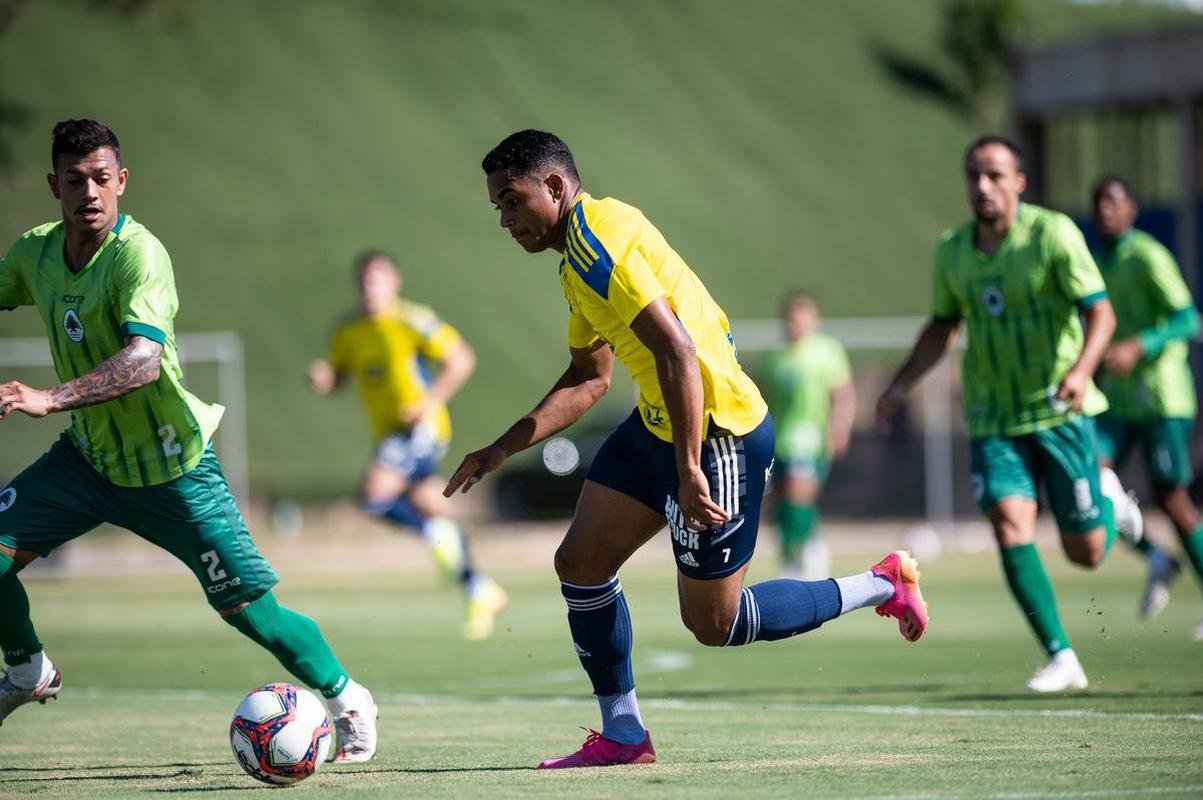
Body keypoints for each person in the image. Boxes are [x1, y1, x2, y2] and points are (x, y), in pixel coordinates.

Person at [444, 129, 930, 769]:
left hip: (718, 432)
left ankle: (881, 583)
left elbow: (678, 351)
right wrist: (500, 449)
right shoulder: (575, 260)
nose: (505, 220)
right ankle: (624, 735)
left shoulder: (597, 244)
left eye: (512, 201)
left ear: (555, 186)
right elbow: (590, 378)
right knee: (581, 564)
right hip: (659, 426)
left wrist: (690, 467)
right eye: (498, 207)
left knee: (714, 625)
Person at [0, 120, 377, 761]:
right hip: (87, 462)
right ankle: (26, 668)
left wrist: (50, 397)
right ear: (54, 185)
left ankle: (348, 698)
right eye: (74, 180)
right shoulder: (34, 253)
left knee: (250, 611)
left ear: (121, 181)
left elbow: (143, 360)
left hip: (173, 468)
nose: (89, 192)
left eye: (100, 178)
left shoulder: (138, 255)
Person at [877, 135, 1143, 693]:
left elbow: (1101, 314)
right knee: (1008, 523)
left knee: (1087, 552)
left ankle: (1109, 500)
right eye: (974, 175)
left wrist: (1081, 372)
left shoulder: (1053, 235)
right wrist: (900, 385)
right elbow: (943, 327)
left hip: (1059, 411)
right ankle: (1061, 655)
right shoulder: (953, 250)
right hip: (994, 419)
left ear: (1019, 181)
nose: (983, 185)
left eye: (995, 174)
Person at [308, 251, 508, 640]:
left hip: (420, 429)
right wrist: (324, 378)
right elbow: (339, 376)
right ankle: (479, 589)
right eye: (364, 282)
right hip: (388, 433)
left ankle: (437, 537)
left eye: (378, 281)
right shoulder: (348, 330)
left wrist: (428, 402)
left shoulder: (412, 320)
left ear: (394, 283)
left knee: (374, 496)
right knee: (434, 508)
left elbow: (461, 359)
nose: (370, 289)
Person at [1091, 176, 1203, 632]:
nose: (1105, 210)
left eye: (1114, 202)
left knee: (1173, 499)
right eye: (1099, 203)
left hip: (1161, 398)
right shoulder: (1096, 262)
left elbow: (1188, 318)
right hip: (1118, 401)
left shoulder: (1148, 255)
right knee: (1088, 477)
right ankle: (1158, 558)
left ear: (1131, 210)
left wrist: (1140, 345)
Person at [760, 292, 855, 579]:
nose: (797, 325)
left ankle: (807, 551)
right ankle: (793, 553)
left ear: (815, 321)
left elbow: (843, 394)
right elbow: (764, 400)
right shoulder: (775, 358)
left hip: (810, 438)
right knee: (783, 500)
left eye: (803, 319)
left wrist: (839, 427)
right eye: (792, 320)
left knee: (797, 493)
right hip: (780, 439)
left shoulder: (827, 352)